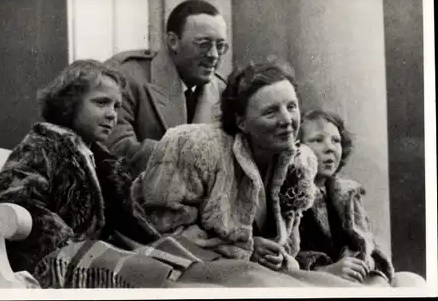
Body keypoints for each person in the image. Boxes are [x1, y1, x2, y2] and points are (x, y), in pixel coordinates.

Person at [0, 59, 225, 288]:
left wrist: (152, 245)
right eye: (101, 103)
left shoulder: (102, 161)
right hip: (51, 259)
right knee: (155, 278)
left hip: (95, 255)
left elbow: (129, 223)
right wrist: (70, 243)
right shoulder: (41, 146)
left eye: (116, 106)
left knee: (189, 266)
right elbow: (19, 202)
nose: (112, 114)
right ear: (68, 104)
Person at [130, 58, 362, 287]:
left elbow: (289, 247)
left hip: (252, 272)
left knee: (343, 289)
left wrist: (278, 255)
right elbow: (165, 231)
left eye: (291, 106)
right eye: (271, 112)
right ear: (241, 122)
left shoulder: (299, 162)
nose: (287, 120)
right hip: (178, 267)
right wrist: (246, 247)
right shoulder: (193, 145)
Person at [296, 109, 427, 287]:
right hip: (316, 282)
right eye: (318, 140)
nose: (330, 148)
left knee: (412, 282)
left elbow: (366, 242)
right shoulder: (292, 195)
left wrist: (366, 260)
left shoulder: (347, 194)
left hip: (354, 276)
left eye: (336, 140)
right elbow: (290, 256)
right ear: (298, 147)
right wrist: (327, 270)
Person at [104, 0, 228, 177]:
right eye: (203, 44)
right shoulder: (127, 77)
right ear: (173, 41)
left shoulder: (221, 89)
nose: (214, 55)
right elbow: (118, 149)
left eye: (221, 46)